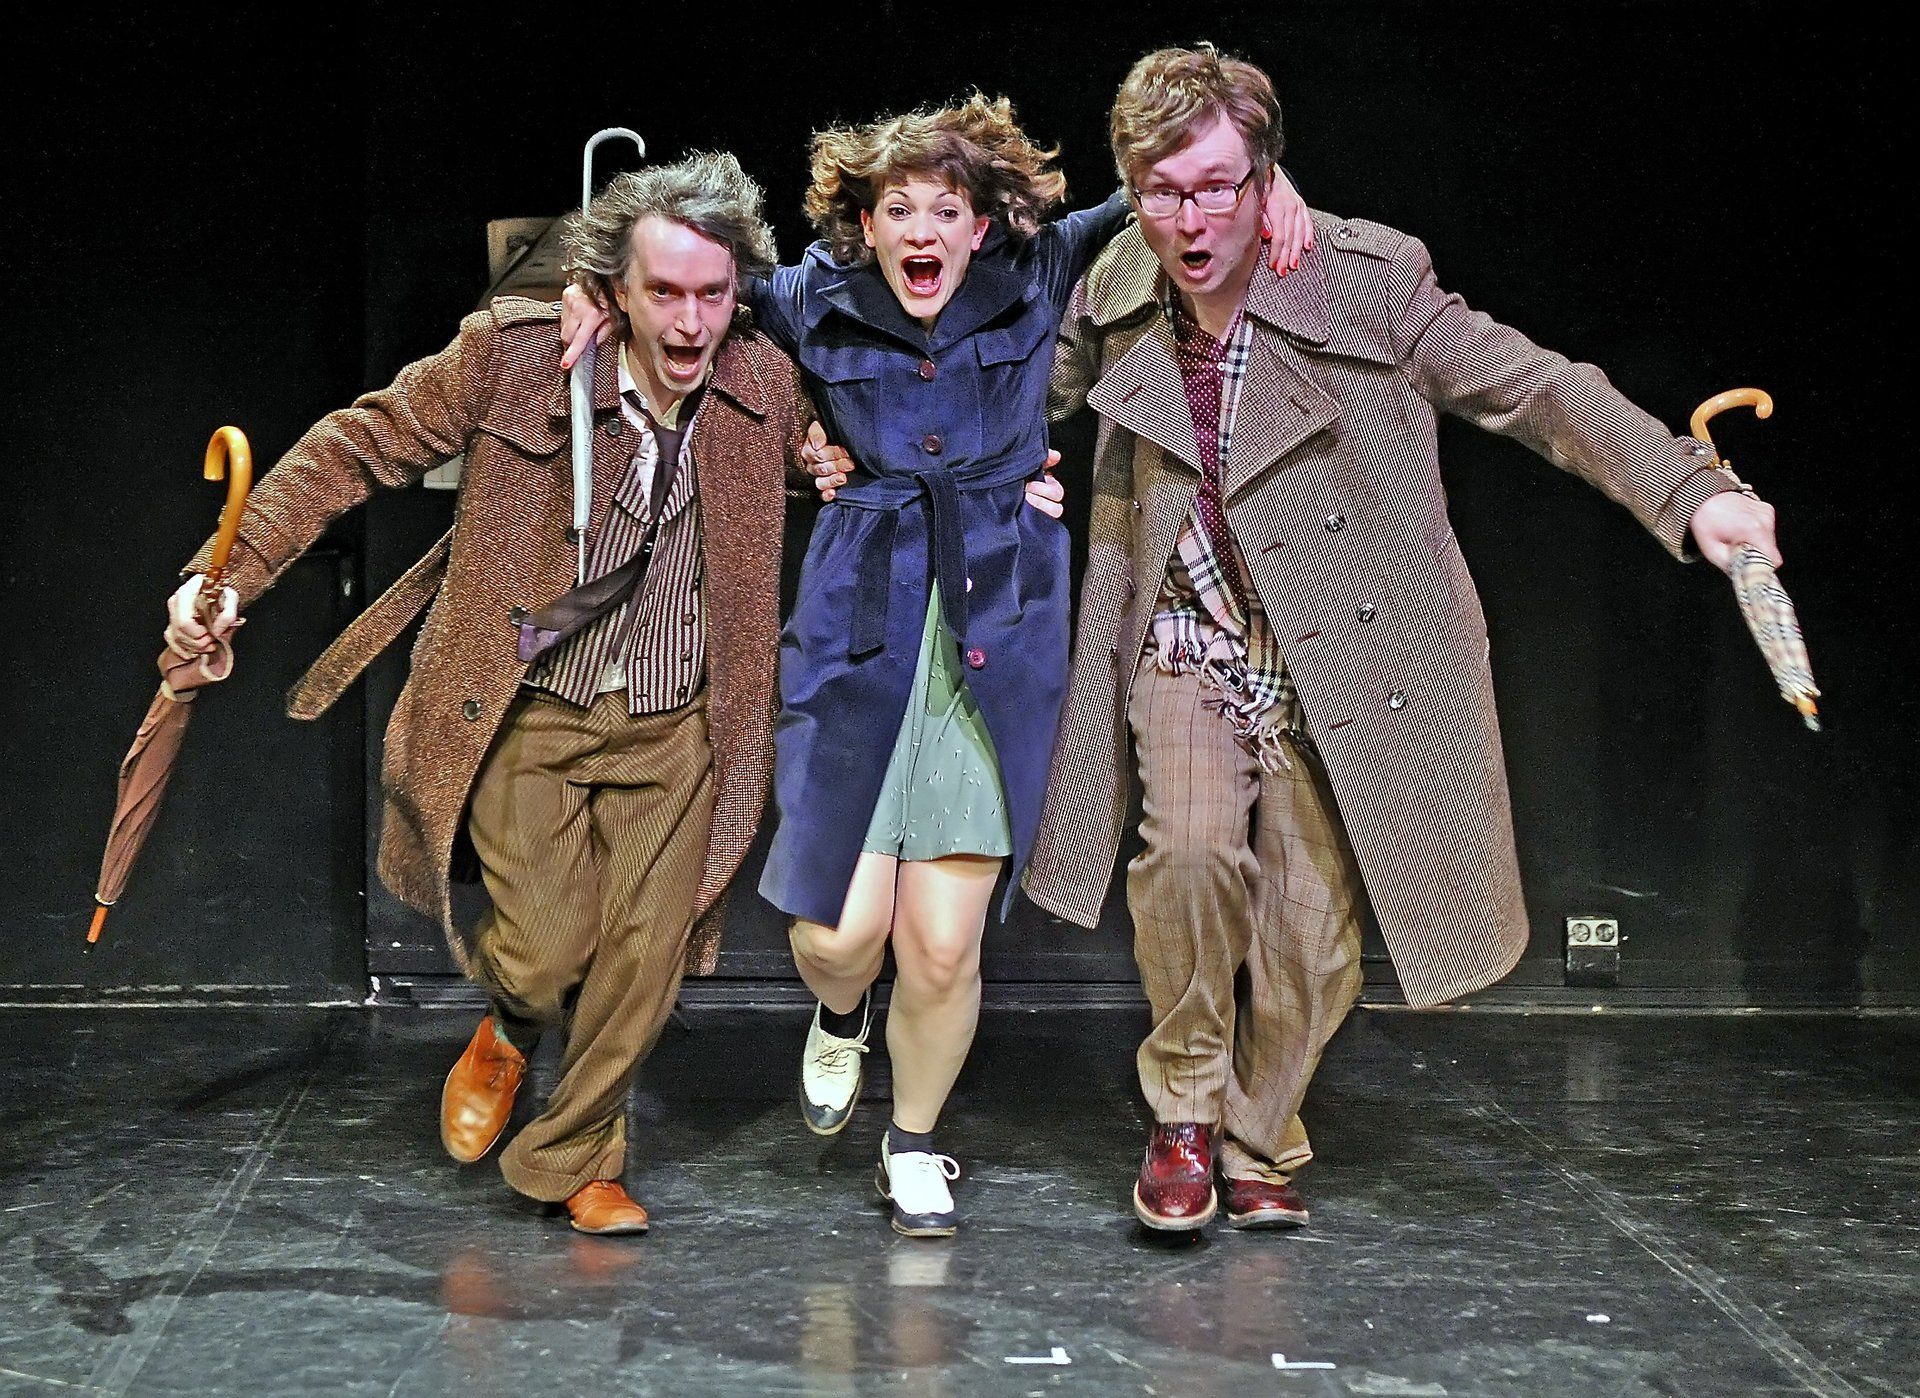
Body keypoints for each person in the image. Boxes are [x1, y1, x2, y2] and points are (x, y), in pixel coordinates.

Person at [1024, 44, 1784, 1233]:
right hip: (1186, 629)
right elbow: (1008, 387)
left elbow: (1533, 386)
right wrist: (855, 440)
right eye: (1162, 191)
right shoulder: (1115, 287)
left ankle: (1259, 1130)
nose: (1191, 219)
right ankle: (1183, 1110)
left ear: (1266, 176)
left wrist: (1690, 492)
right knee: (1188, 854)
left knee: (1313, 935)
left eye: (1218, 185)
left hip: (1342, 647)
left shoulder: (1365, 282)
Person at [567, 95, 1310, 1237]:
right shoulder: (811, 296)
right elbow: (680, 273)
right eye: (899, 208)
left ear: (982, 223)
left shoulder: (1038, 269)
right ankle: (841, 1015)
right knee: (837, 934)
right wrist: (581, 290)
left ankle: (912, 1144)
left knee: (943, 942)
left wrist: (1275, 185)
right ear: (864, 224)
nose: (924, 230)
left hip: (997, 618)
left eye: (947, 209)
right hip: (860, 617)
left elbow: (1163, 194)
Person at [165, 153, 842, 1235]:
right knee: (545, 950)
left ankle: (577, 1156)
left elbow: (839, 447)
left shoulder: (762, 383)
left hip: (682, 718)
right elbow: (356, 447)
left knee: (646, 958)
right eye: (664, 291)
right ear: (614, 288)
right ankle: (511, 1023)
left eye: (713, 294)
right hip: (528, 702)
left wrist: (847, 461)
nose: (690, 321)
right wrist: (225, 574)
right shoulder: (520, 359)